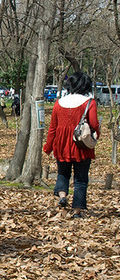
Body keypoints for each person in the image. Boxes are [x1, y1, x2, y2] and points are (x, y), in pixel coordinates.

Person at [43, 72, 100, 218]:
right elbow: (93, 124)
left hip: (61, 145)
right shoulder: (89, 102)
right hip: (80, 146)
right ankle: (77, 211)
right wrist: (95, 137)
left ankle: (62, 196)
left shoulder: (59, 103)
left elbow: (53, 128)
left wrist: (48, 147)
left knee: (63, 173)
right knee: (80, 179)